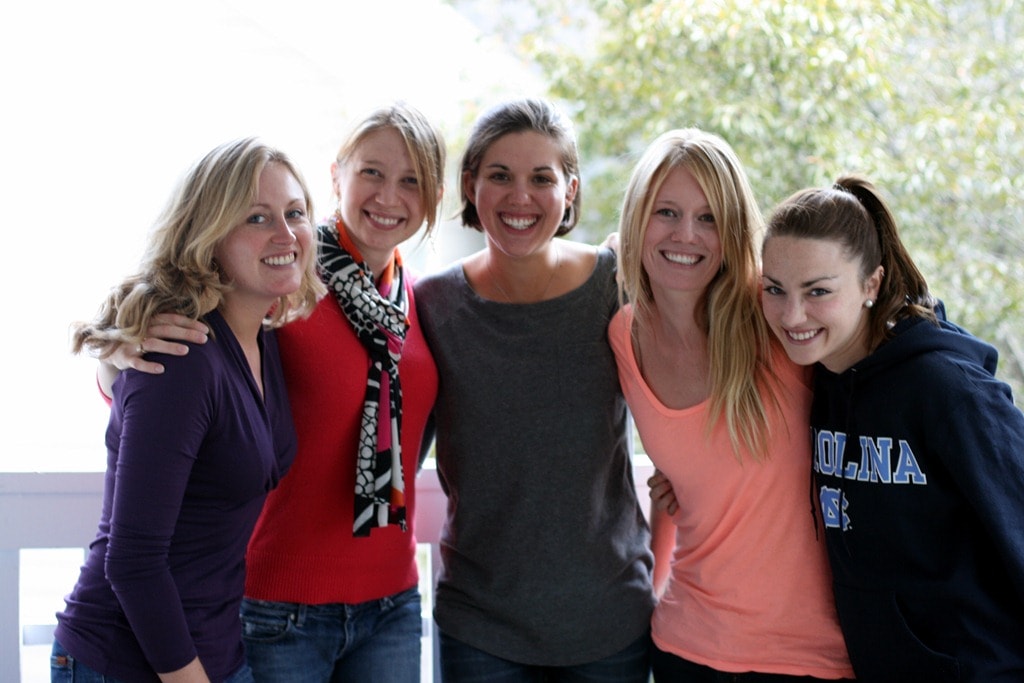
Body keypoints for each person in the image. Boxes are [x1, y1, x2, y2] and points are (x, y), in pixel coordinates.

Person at [92, 103, 446, 682]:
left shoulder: (420, 303)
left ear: (433, 197)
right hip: (280, 608)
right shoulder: (282, 281)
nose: (389, 195)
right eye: (372, 172)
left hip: (392, 602)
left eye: (412, 181)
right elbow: (175, 372)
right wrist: (118, 355)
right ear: (337, 176)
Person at [53, 137, 323, 683]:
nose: (286, 233)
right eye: (256, 217)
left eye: (295, 213)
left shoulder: (261, 336)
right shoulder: (182, 357)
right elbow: (133, 564)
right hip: (127, 659)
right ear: (209, 237)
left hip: (215, 649)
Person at [415, 97, 655, 682]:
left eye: (541, 179)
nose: (520, 197)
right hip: (480, 627)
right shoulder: (432, 304)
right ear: (470, 186)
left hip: (610, 622)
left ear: (570, 191)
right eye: (500, 176)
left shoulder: (616, 287)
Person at [609, 128, 854, 681]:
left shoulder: (781, 317)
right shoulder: (625, 335)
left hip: (813, 659)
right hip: (685, 647)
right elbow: (690, 480)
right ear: (637, 218)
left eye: (709, 218)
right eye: (666, 212)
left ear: (734, 230)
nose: (686, 235)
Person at [760, 175, 1024, 682]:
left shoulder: (948, 390)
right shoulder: (822, 377)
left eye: (818, 291)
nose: (792, 315)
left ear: (871, 284)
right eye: (775, 289)